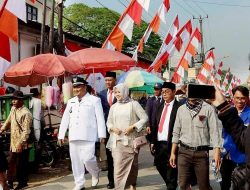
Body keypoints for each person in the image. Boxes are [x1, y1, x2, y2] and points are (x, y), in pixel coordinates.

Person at [57, 77, 106, 190]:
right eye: (74, 87)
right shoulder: (71, 101)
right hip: (74, 135)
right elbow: (65, 119)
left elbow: (100, 118)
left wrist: (102, 134)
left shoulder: (94, 100)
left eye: (78, 86)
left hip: (88, 135)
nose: (76, 89)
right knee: (76, 161)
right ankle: (79, 183)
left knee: (88, 159)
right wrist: (61, 134)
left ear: (84, 87)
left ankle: (95, 173)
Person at [170, 96, 222, 190]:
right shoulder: (181, 109)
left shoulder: (208, 109)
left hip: (201, 154)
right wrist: (173, 153)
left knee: (203, 186)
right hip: (183, 152)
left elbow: (215, 131)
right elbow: (176, 131)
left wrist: (217, 152)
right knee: (183, 184)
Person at [106, 83, 148, 190]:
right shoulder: (114, 107)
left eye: (119, 92)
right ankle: (119, 187)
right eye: (115, 92)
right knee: (118, 168)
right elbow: (108, 122)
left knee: (133, 166)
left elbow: (144, 118)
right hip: (117, 142)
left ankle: (131, 185)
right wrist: (112, 128)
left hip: (131, 142)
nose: (117, 94)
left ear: (125, 92)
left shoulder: (134, 104)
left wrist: (133, 127)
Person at [212, 85, 250, 189]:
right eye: (237, 98)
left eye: (243, 98)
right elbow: (220, 133)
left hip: (242, 159)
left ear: (247, 98)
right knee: (224, 184)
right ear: (233, 97)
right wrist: (217, 151)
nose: (240, 101)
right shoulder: (225, 111)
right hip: (226, 155)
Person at [150, 82, 181, 190]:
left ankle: (171, 186)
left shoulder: (179, 107)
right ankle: (171, 183)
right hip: (159, 142)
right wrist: (153, 141)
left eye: (167, 91)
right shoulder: (160, 106)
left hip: (172, 143)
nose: (164, 94)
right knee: (159, 165)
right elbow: (155, 124)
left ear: (174, 92)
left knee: (171, 168)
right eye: (162, 92)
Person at [0, 90, 33, 190]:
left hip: (22, 143)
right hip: (13, 142)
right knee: (11, 163)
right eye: (13, 99)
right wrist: (1, 129)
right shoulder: (13, 109)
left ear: (21, 100)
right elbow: (8, 120)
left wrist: (21, 143)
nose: (13, 101)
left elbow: (26, 131)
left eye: (16, 99)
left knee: (21, 164)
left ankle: (22, 183)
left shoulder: (26, 113)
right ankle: (9, 182)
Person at [98, 71, 117, 189]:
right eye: (106, 80)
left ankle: (122, 179)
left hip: (119, 129)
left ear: (115, 80)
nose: (108, 82)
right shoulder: (101, 94)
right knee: (109, 157)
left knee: (119, 156)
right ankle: (111, 181)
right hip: (107, 130)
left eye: (110, 80)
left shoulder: (120, 92)